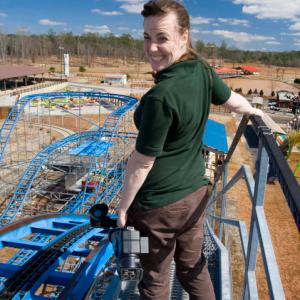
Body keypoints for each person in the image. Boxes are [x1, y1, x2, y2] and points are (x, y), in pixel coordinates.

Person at [117, 1, 264, 299]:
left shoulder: (161, 97)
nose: (152, 48)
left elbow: (142, 163)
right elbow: (233, 101)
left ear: (184, 37)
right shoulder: (200, 70)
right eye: (147, 37)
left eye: (162, 38)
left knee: (155, 280)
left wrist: (122, 208)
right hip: (194, 196)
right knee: (192, 267)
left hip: (158, 207)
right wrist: (257, 114)